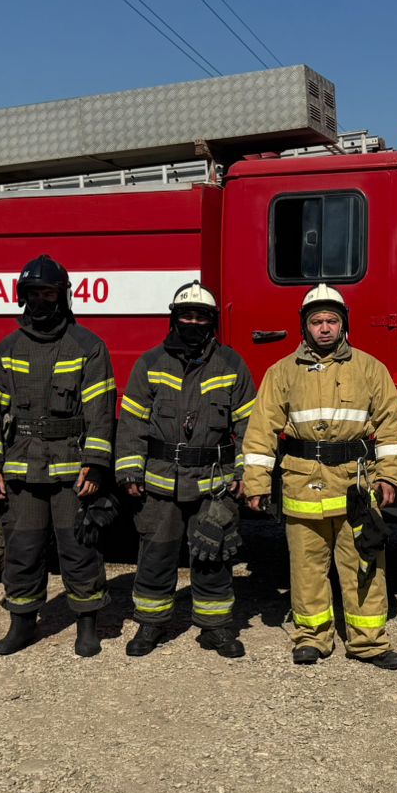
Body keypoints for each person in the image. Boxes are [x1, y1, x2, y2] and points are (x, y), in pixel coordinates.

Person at [240, 285, 397, 668]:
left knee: (363, 564)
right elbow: (261, 431)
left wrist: (390, 477)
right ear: (305, 327)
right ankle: (312, 639)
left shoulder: (369, 368)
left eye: (332, 320)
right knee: (306, 568)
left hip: (356, 486)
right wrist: (256, 483)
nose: (325, 328)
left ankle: (368, 643)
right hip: (302, 485)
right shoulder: (281, 372)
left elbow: (391, 429)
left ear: (343, 324)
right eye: (317, 321)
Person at [0, 255, 116, 659]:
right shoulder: (7, 349)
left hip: (73, 468)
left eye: (48, 293)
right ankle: (21, 624)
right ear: (22, 297)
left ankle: (87, 625)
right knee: (22, 548)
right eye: (33, 294)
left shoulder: (88, 346)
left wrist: (97, 464)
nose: (40, 301)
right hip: (22, 466)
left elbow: (100, 411)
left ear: (62, 296)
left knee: (79, 547)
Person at [114, 281, 258, 659]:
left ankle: (215, 628)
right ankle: (151, 623)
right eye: (186, 316)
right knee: (156, 553)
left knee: (213, 552)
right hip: (160, 480)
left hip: (213, 483)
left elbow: (248, 426)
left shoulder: (231, 365)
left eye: (201, 317)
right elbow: (131, 422)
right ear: (173, 319)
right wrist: (129, 471)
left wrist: (245, 473)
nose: (193, 323)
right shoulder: (149, 363)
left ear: (212, 322)